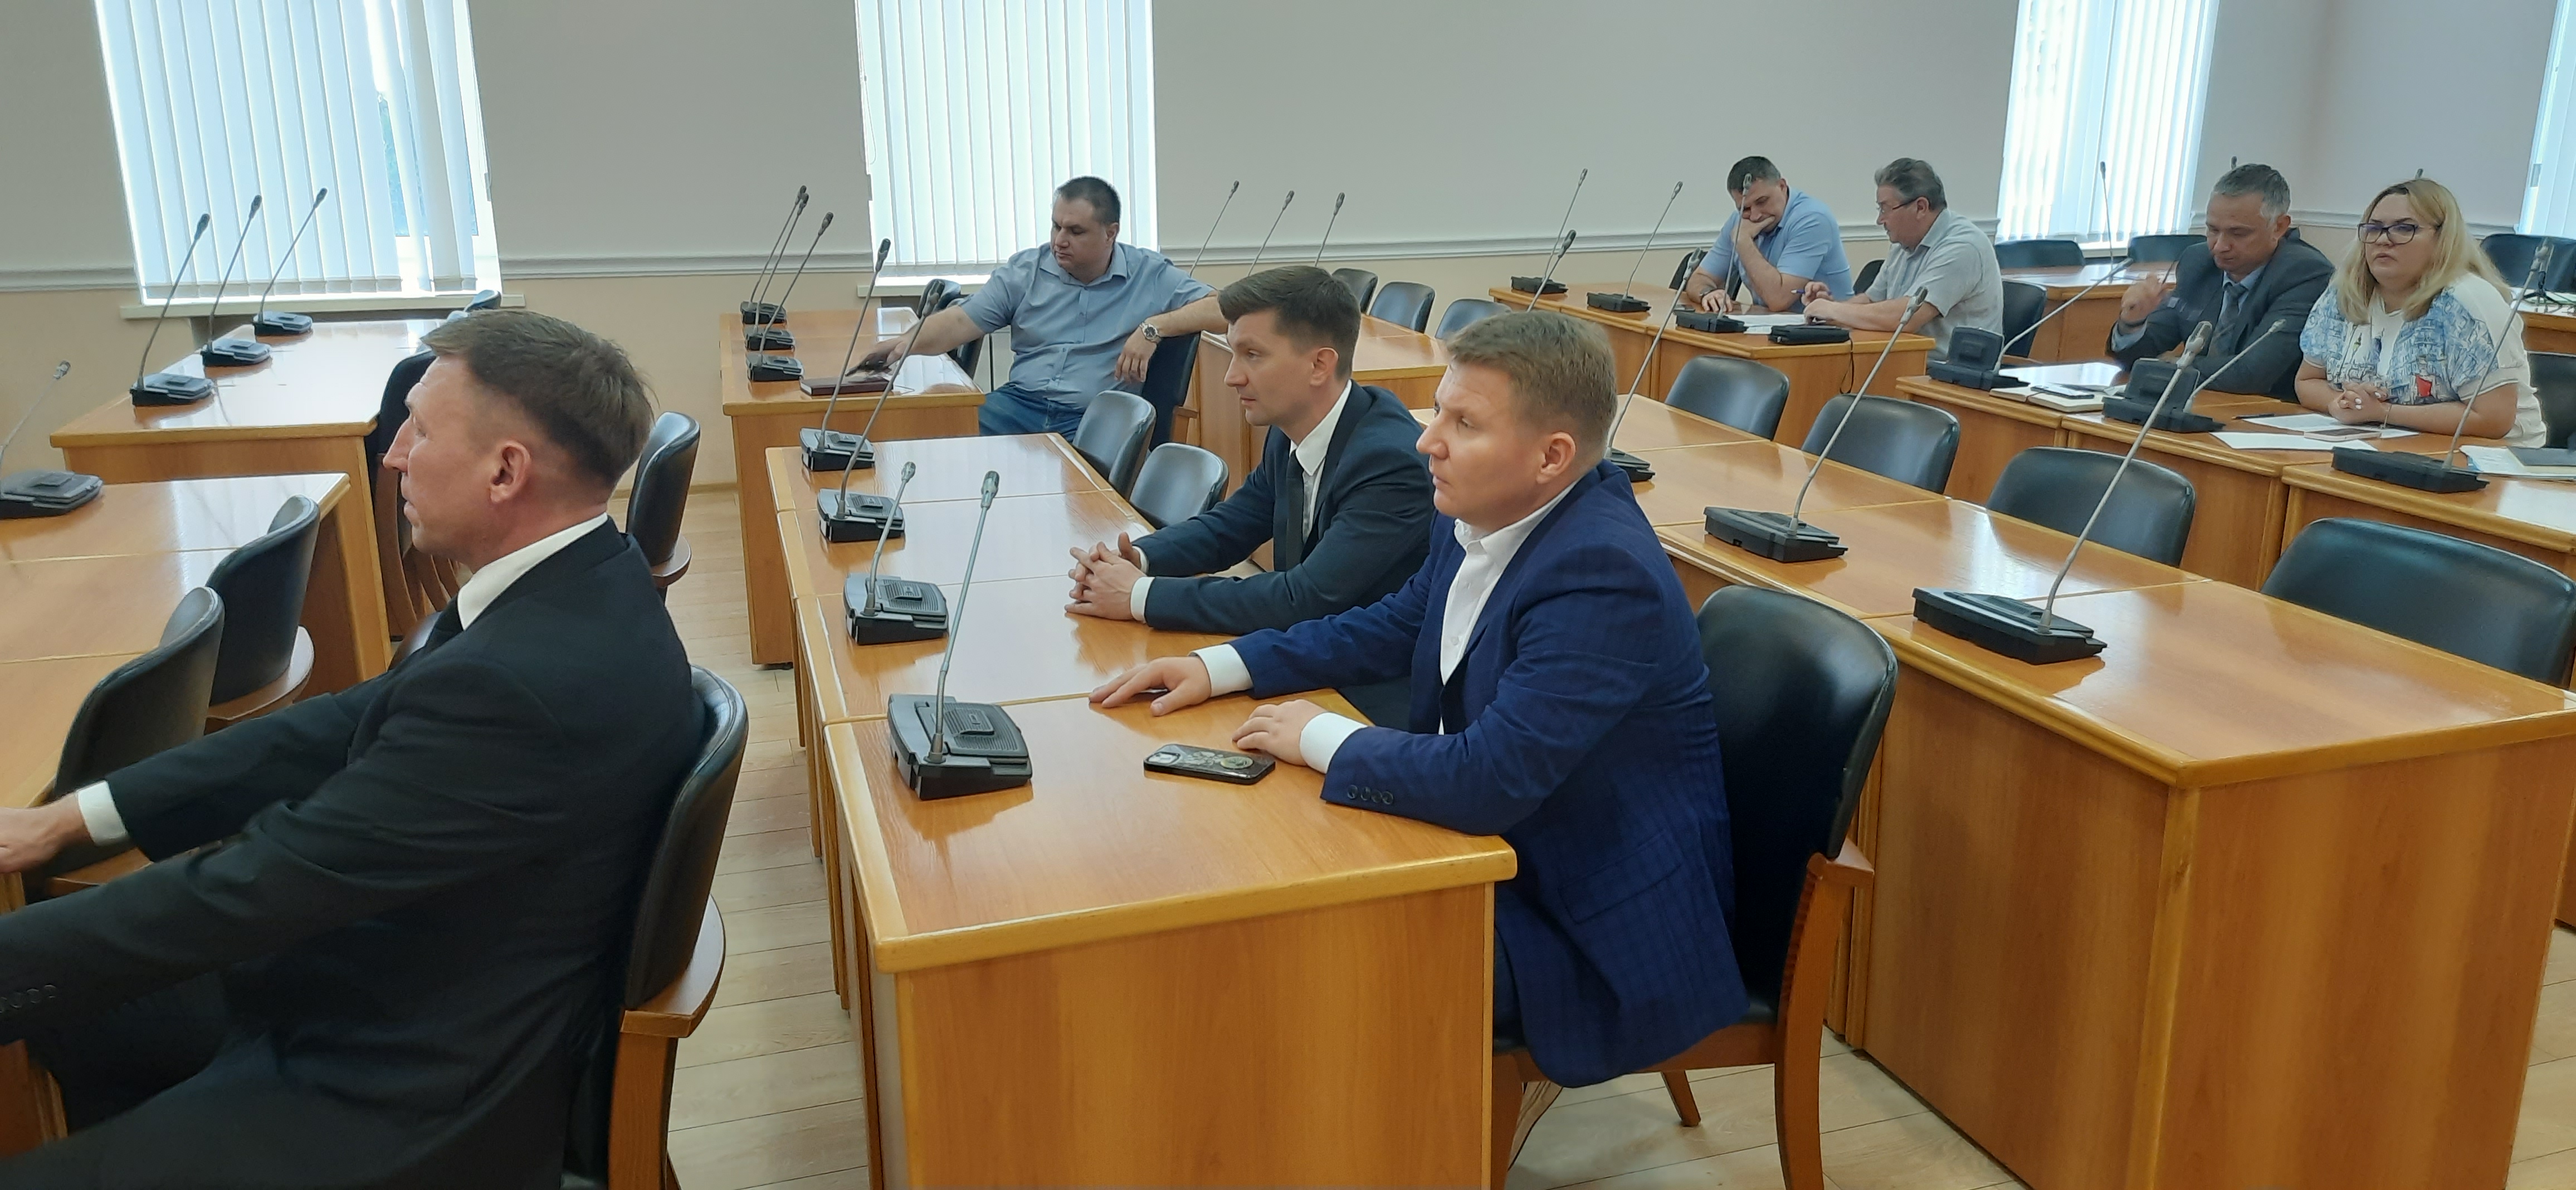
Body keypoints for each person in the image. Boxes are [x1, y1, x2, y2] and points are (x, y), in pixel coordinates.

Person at [0, 309, 701, 1188]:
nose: (394, 453)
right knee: (67, 997)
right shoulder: (584, 583)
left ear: (505, 471)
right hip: (409, 983)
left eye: (420, 429)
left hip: (404, 1089)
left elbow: (265, 881)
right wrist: (72, 819)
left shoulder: (516, 687)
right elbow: (325, 730)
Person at [1091, 312, 1747, 1117]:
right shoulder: (1479, 508)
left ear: (1552, 457)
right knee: (1254, 889)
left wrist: (1320, 734)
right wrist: (1222, 665)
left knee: (1307, 953)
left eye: (1463, 424)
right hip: (1499, 849)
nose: (1426, 441)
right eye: (1437, 411)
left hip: (1582, 918)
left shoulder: (1602, 572)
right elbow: (1396, 623)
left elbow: (1488, 781)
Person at [1067, 266, 1433, 723]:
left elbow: (1304, 598)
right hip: (1299, 662)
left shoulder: (1389, 463)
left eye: (1252, 355)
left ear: (1320, 365)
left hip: (1367, 695)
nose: (1232, 377)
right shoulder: (1292, 427)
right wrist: (1136, 559)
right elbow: (1232, 525)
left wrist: (1142, 596)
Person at [862, 176, 1227, 437]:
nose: (1059, 241)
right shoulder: (1026, 270)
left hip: (1094, 419)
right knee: (935, 437)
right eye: (1056, 227)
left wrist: (1153, 329)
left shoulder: (1148, 273)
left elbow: (1225, 309)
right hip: (1019, 405)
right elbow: (960, 321)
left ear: (1111, 233)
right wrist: (905, 343)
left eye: (1075, 231)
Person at [2295, 177, 2544, 445]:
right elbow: (2308, 381)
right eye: (2374, 228)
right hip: (2386, 442)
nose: (2383, 240)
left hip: (2494, 456)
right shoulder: (2344, 293)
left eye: (2404, 228)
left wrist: (2382, 413)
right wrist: (2341, 403)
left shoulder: (2468, 302)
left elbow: (2493, 418)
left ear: (2443, 238)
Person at [2109, 163, 2333, 399]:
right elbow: (2137, 356)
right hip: (2202, 401)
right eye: (2213, 230)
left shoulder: (2305, 273)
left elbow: (2252, 373)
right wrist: (2133, 322)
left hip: (2265, 411)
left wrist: (2170, 364)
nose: (2219, 246)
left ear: (2278, 227)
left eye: (2238, 234)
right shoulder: (2198, 262)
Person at [1802, 158, 2003, 355]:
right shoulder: (1904, 242)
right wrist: (1826, 312)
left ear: (1921, 207)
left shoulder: (1963, 247)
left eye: (1886, 208)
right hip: (1905, 358)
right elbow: (1872, 301)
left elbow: (1907, 317)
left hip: (1948, 370)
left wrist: (1833, 311)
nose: (1880, 220)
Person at [1677, 156, 1855, 314]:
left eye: (1762, 202)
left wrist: (1744, 242)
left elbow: (1778, 300)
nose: (1755, 216)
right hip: (1774, 330)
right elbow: (1699, 278)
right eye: (1745, 208)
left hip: (1830, 331)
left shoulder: (1813, 219)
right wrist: (1708, 294)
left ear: (1782, 186)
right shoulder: (1740, 220)